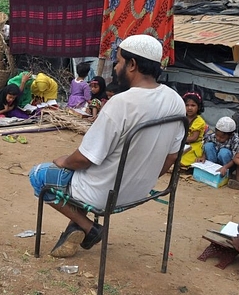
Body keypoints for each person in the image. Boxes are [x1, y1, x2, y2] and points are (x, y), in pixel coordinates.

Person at [29, 34, 185, 258]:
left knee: (39, 175)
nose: (116, 67)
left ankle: (89, 227)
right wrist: (145, 178)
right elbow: (172, 156)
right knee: (83, 170)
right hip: (140, 191)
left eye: (119, 61)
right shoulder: (175, 100)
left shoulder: (120, 103)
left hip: (105, 194)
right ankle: (78, 225)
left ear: (132, 65)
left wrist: (64, 160)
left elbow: (86, 158)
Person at [180, 91, 206, 167]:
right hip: (182, 143)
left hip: (193, 146)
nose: (189, 108)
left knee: (182, 160)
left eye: (193, 105)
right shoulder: (181, 117)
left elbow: (193, 138)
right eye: (187, 105)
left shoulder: (199, 121)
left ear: (199, 107)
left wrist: (178, 139)